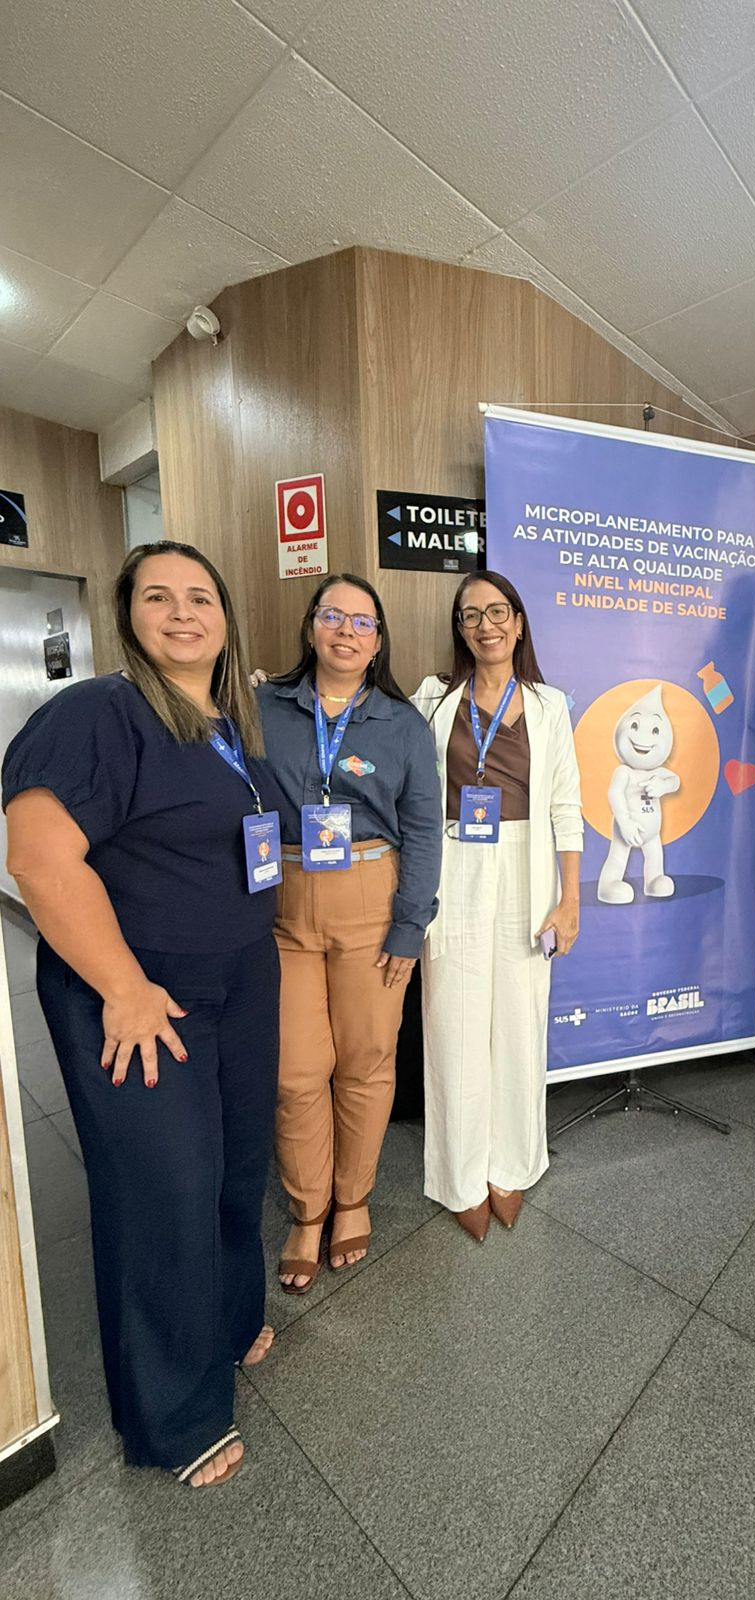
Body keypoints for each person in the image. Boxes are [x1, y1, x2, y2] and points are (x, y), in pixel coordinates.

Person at [2, 541, 282, 1488]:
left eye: (201, 597)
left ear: (226, 619)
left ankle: (230, 1322)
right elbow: (39, 859)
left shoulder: (230, 724)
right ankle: (174, 1418)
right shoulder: (98, 713)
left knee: (236, 1166)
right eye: (159, 597)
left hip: (241, 979)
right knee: (163, 1192)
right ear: (128, 616)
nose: (182, 613)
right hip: (139, 993)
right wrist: (122, 987)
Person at [257, 575, 442, 1292]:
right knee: (295, 1070)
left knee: (366, 1060)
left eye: (363, 622)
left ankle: (353, 1198)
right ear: (311, 626)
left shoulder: (402, 724)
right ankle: (308, 1209)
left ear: (378, 640)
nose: (346, 631)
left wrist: (410, 926)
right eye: (333, 616)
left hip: (372, 898)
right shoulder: (260, 706)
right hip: (282, 901)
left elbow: (424, 830)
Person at [412, 570, 582, 1241]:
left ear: (518, 621)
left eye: (497, 612)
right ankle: (460, 1174)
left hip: (527, 869)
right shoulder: (433, 701)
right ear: (460, 629)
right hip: (454, 865)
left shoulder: (550, 704)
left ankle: (510, 1164)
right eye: (470, 615)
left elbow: (567, 805)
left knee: (519, 1020)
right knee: (452, 1022)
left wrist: (570, 900)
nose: (485, 625)